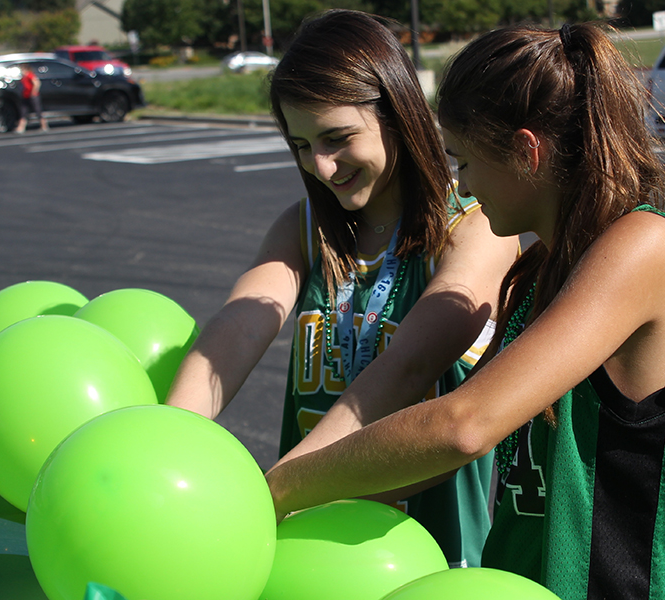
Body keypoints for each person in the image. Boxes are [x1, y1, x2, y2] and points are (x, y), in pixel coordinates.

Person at [266, 22, 665, 600]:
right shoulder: (540, 273)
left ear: (528, 152)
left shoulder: (643, 246)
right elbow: (441, 458)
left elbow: (463, 426)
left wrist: (278, 488)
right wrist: (306, 509)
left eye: (466, 162)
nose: (463, 184)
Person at [165, 10, 518, 568]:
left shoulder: (474, 228)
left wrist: (273, 494)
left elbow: (407, 367)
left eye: (337, 138)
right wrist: (166, 445)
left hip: (424, 557)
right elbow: (238, 326)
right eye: (302, 145)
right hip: (309, 554)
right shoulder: (303, 229)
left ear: (397, 115)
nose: (322, 167)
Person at [15, 64, 48, 133]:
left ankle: (44, 125)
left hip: (32, 96)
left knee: (37, 111)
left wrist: (33, 92)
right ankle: (21, 127)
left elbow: (37, 83)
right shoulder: (23, 77)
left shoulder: (30, 75)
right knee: (23, 112)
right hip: (25, 96)